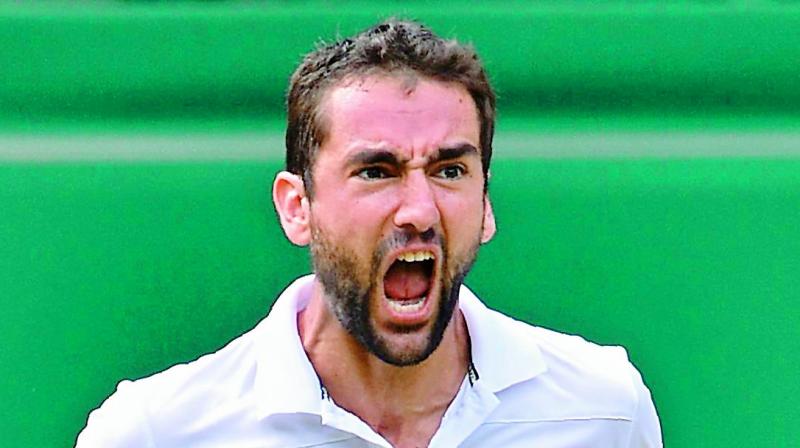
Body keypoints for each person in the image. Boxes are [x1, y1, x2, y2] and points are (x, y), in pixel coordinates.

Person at [76, 19, 662, 448]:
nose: (419, 211)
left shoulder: (604, 411)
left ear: (485, 206)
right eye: (376, 172)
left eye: (449, 171)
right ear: (297, 206)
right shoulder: (156, 432)